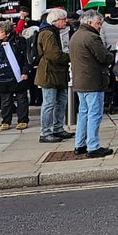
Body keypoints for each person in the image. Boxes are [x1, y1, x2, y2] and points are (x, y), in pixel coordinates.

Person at [70, 11, 113, 158]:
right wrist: (111, 55)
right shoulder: (92, 37)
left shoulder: (76, 35)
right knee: (94, 114)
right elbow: (103, 57)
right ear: (89, 23)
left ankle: (79, 144)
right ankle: (93, 146)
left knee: (83, 113)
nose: (100, 26)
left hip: (80, 80)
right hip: (93, 80)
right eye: (98, 23)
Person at [35, 9, 74, 143]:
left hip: (57, 72)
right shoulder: (48, 34)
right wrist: (70, 57)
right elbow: (54, 55)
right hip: (49, 72)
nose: (66, 21)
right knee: (49, 103)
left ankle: (58, 128)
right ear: (55, 21)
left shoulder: (54, 32)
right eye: (63, 19)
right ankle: (45, 132)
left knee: (61, 101)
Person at [0, 21, 31, 131]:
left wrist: (25, 71)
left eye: (0, 32)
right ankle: (5, 121)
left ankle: (23, 120)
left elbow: (26, 57)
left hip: (19, 73)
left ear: (7, 33)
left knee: (21, 98)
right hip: (5, 76)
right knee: (5, 99)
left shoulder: (19, 41)